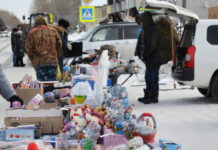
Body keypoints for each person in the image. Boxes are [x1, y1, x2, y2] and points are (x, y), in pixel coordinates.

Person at [135, 12, 179, 104]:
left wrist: (146, 55)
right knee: (148, 76)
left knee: (152, 77)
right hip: (152, 56)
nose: (141, 23)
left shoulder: (153, 29)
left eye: (142, 21)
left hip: (156, 56)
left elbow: (152, 44)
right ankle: (148, 95)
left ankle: (153, 97)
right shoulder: (147, 28)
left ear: (146, 20)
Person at [25, 16, 62, 81]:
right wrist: (57, 55)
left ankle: (42, 91)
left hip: (39, 62)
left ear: (35, 23)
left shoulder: (31, 32)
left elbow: (29, 48)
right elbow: (59, 44)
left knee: (41, 83)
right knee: (52, 82)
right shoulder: (53, 30)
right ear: (45, 22)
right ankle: (51, 90)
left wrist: (32, 59)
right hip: (52, 61)